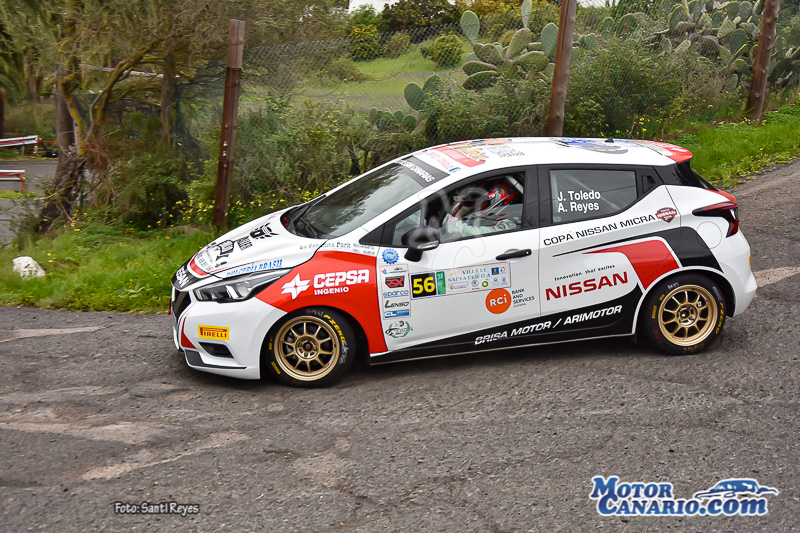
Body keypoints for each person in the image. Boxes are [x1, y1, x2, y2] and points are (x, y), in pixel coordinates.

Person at [440, 178, 521, 240]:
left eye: (477, 198)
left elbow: (475, 233)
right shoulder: (465, 209)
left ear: (497, 201)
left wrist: (451, 224)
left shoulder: (509, 224)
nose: (472, 202)